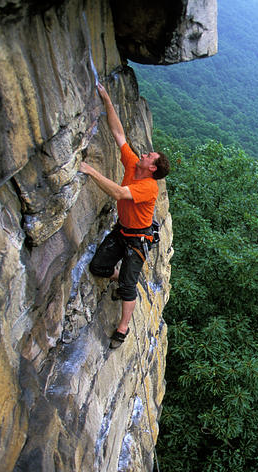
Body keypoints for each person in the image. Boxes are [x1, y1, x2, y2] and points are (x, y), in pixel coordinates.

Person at [80, 82, 170, 349]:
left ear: (152, 168)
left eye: (148, 155)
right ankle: (124, 275)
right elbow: (118, 133)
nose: (143, 153)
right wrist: (107, 98)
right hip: (123, 230)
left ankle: (123, 327)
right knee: (98, 268)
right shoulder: (133, 164)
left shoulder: (148, 187)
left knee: (129, 289)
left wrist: (91, 171)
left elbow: (119, 193)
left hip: (137, 240)